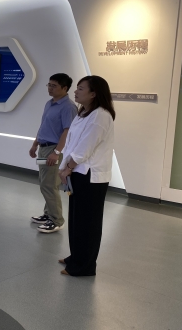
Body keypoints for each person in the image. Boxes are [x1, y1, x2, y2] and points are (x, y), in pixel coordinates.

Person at [58, 75, 115, 276]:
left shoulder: (100, 116)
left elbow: (85, 148)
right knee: (77, 219)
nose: (76, 91)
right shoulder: (83, 113)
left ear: (93, 94)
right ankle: (76, 256)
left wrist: (68, 167)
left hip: (90, 176)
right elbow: (72, 143)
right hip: (78, 172)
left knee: (88, 223)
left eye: (81, 88)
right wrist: (65, 167)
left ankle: (84, 266)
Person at [29, 73, 77, 233]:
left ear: (65, 88)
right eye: (49, 85)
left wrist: (57, 152)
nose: (50, 88)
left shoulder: (68, 107)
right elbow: (43, 125)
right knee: (45, 182)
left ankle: (56, 220)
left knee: (49, 185)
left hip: (54, 149)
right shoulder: (49, 103)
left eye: (54, 86)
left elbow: (67, 131)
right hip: (44, 148)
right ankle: (48, 214)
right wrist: (35, 144)